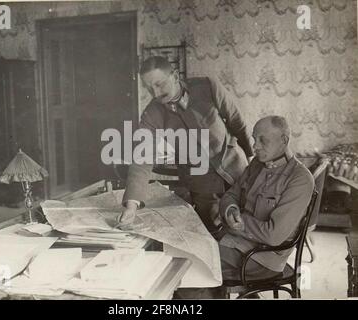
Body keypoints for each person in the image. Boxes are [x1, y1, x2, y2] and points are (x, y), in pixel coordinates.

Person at [117, 56, 253, 239]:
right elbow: (142, 158)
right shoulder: (152, 113)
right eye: (149, 88)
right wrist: (131, 207)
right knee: (214, 236)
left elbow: (236, 121)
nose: (156, 93)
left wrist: (252, 159)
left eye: (159, 84)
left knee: (247, 227)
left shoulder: (207, 86)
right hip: (202, 185)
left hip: (237, 169)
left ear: (174, 75)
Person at [218, 115, 314, 282]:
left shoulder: (300, 178)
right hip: (236, 242)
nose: (255, 146)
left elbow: (273, 236)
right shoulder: (256, 164)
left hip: (261, 259)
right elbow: (231, 195)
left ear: (284, 140)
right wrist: (231, 209)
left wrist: (239, 223)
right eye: (254, 139)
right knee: (190, 254)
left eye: (263, 140)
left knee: (191, 267)